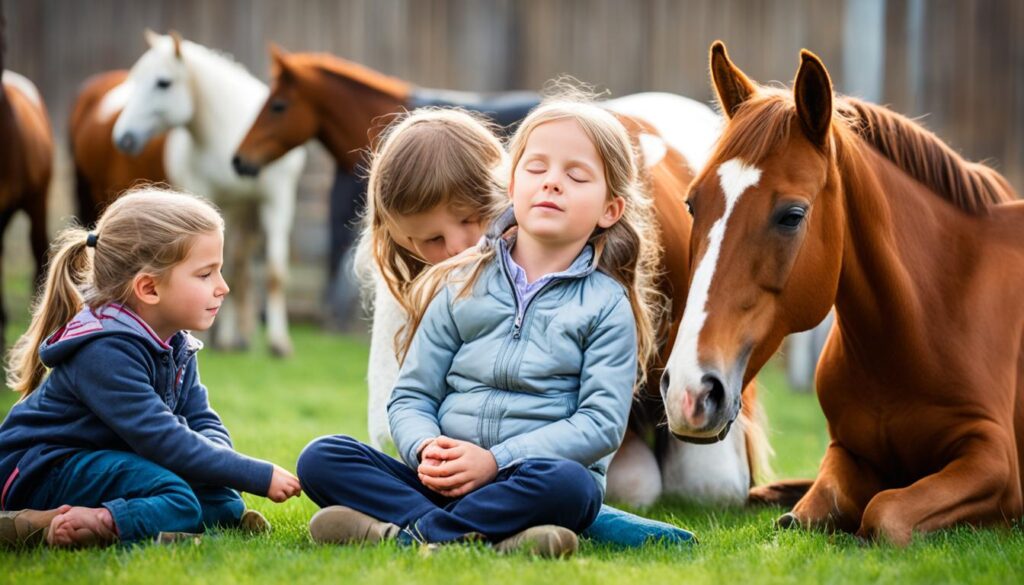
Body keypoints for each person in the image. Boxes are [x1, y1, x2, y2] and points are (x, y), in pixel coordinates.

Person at [298, 96, 686, 556]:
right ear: (511, 185)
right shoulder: (458, 282)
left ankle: (403, 533)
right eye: (536, 169)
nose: (552, 184)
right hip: (443, 477)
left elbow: (600, 425)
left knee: (573, 488)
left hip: (527, 479)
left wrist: (494, 461)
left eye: (576, 176)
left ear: (610, 210)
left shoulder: (605, 305)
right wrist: (427, 450)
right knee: (323, 457)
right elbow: (411, 395)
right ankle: (496, 537)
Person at [0, 189, 302, 548]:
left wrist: (223, 471)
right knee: (176, 495)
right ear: (148, 288)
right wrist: (256, 474)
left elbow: (200, 418)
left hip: (110, 460)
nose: (223, 287)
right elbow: (163, 438)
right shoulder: (104, 351)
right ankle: (74, 521)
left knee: (221, 499)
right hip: (43, 468)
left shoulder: (174, 342)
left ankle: (189, 520)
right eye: (206, 274)